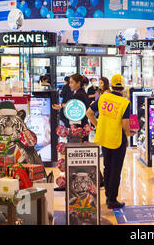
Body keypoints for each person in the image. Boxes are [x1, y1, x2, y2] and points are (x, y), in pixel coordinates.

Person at [86, 74, 136, 209]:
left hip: (104, 137)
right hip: (117, 139)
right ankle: (112, 200)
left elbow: (89, 113)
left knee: (107, 167)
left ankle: (108, 196)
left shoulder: (103, 97)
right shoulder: (125, 103)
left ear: (112, 86)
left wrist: (98, 125)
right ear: (123, 87)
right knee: (116, 170)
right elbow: (125, 124)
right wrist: (129, 133)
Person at [52, 74, 90, 141]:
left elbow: (75, 113)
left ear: (78, 83)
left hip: (78, 129)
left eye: (72, 82)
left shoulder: (79, 95)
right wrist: (62, 107)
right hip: (80, 126)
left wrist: (63, 107)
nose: (69, 84)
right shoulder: (80, 93)